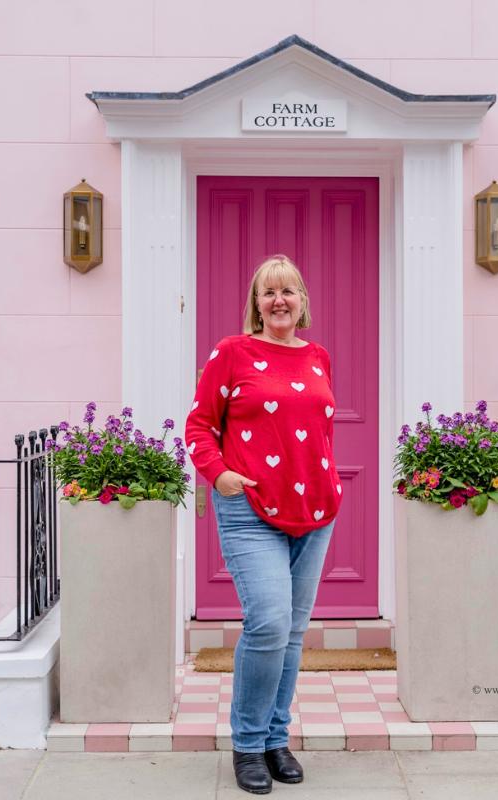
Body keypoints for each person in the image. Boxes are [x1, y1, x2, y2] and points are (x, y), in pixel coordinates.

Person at [185, 254, 342, 794]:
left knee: (293, 633)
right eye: (268, 292)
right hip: (250, 508)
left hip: (315, 511)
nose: (279, 300)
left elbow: (316, 432)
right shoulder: (232, 353)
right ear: (255, 303)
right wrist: (220, 475)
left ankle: (277, 738)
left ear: (303, 301)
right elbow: (199, 424)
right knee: (270, 623)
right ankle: (248, 744)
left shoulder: (319, 357)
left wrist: (327, 482)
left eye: (289, 291)